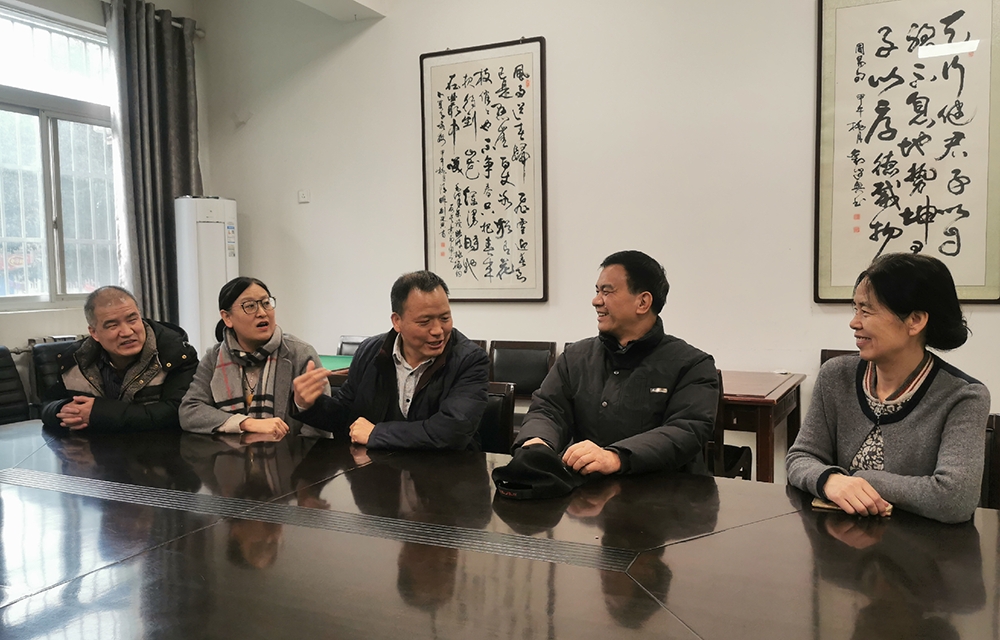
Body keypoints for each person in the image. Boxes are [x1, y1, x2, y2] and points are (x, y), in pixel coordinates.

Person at [786, 253, 991, 524]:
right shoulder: (835, 376)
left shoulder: (964, 397)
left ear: (915, 320)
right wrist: (828, 480)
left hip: (921, 546)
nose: (854, 322)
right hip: (836, 541)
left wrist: (857, 480)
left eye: (867, 311)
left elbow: (954, 499)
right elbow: (801, 457)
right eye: (855, 309)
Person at [514, 250, 719, 475]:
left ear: (643, 302)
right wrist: (538, 441)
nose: (596, 301)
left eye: (607, 291)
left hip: (666, 491)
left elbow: (686, 429)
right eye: (597, 291)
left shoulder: (692, 365)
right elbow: (548, 409)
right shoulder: (575, 357)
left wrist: (616, 457)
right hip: (588, 489)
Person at [292, 270, 489, 450]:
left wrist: (376, 434)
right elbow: (346, 416)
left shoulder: (470, 360)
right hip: (377, 471)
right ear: (397, 321)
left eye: (445, 318)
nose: (438, 330)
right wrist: (308, 404)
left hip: (445, 473)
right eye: (424, 322)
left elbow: (453, 431)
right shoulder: (370, 352)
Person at [179, 277, 329, 438]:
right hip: (228, 453)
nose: (262, 313)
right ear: (227, 317)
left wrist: (305, 407)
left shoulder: (300, 354)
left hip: (288, 452)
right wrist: (245, 423)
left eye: (266, 303)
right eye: (250, 306)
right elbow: (189, 411)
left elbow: (322, 427)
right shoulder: (214, 357)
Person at [39, 285, 198, 431]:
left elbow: (178, 411)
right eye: (112, 325)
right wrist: (63, 410)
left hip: (159, 449)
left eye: (132, 319)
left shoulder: (175, 354)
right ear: (94, 332)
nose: (127, 332)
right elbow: (47, 405)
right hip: (93, 449)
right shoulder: (76, 359)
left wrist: (99, 413)